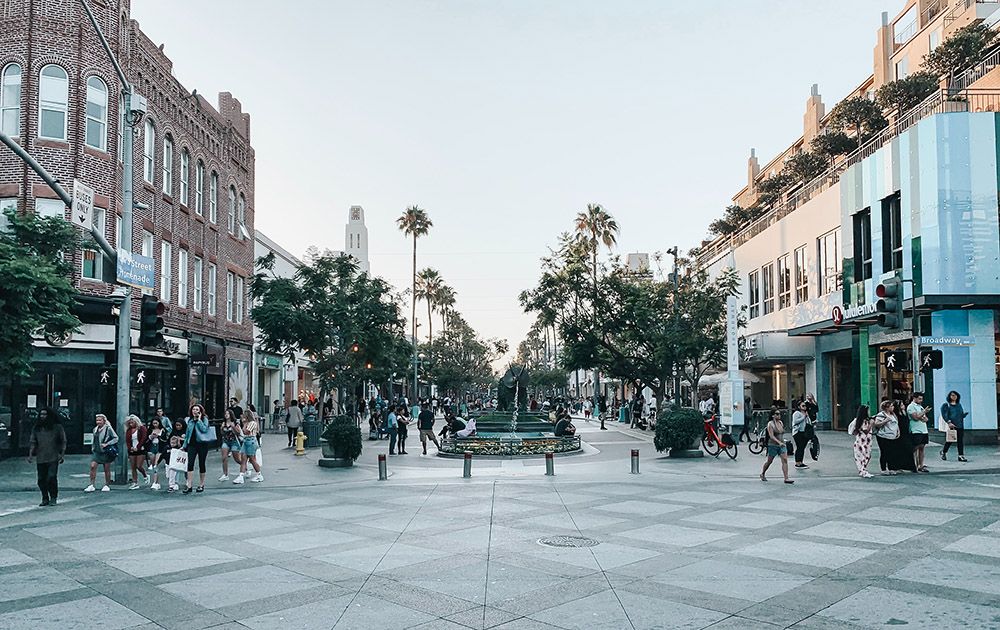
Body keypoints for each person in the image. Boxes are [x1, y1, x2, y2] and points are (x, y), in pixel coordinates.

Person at [28, 408, 65, 506]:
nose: (42, 416)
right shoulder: (37, 428)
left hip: (53, 456)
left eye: (45, 414)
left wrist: (62, 454)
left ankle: (53, 497)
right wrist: (31, 454)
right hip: (41, 457)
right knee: (41, 479)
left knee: (51, 477)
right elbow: (33, 442)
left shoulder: (57, 427)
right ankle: (45, 497)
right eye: (41, 414)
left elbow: (63, 441)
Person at [183, 404, 212, 494]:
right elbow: (187, 433)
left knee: (201, 463)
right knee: (190, 463)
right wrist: (184, 445)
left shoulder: (204, 419)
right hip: (192, 444)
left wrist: (199, 420)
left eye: (197, 409)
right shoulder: (190, 420)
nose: (195, 411)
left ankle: (201, 484)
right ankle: (189, 485)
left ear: (200, 411)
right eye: (193, 409)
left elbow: (204, 429)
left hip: (202, 444)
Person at [85, 413, 118, 492]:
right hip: (97, 451)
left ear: (104, 421)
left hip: (105, 451)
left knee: (106, 468)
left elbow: (116, 438)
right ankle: (91, 484)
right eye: (97, 420)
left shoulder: (108, 428)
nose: (98, 422)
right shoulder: (95, 429)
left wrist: (107, 444)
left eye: (100, 420)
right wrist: (93, 448)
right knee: (93, 466)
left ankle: (107, 484)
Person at [760, 409, 793, 484]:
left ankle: (786, 478)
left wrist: (782, 442)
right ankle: (762, 473)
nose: (779, 415)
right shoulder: (770, 424)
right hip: (773, 445)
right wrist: (779, 442)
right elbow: (771, 436)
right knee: (769, 461)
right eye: (777, 414)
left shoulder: (781, 423)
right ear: (773, 415)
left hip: (782, 445)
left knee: (784, 460)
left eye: (779, 414)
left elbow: (781, 433)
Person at [940, 390, 969, 462]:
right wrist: (949, 422)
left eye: (955, 395)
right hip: (952, 425)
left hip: (960, 425)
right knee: (950, 440)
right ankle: (944, 452)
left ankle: (961, 455)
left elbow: (960, 414)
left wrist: (964, 415)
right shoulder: (946, 405)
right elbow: (945, 415)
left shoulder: (959, 405)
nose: (954, 397)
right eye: (952, 395)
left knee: (960, 441)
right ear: (949, 396)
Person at [907, 392, 931, 473]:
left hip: (923, 429)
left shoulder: (920, 407)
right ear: (914, 398)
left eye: (921, 399)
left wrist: (923, 415)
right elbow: (916, 417)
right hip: (916, 430)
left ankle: (921, 465)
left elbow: (925, 419)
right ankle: (913, 464)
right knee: (915, 448)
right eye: (919, 399)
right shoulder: (911, 407)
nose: (921, 400)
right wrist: (923, 412)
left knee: (922, 448)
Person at [124, 414, 149, 490]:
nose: (131, 424)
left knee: (139, 466)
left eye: (132, 422)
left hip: (140, 449)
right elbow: (128, 441)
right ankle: (135, 482)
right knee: (133, 467)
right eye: (130, 423)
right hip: (132, 450)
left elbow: (143, 438)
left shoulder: (142, 428)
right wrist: (130, 448)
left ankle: (145, 475)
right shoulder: (128, 430)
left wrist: (138, 447)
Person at [238, 411, 264, 483]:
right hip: (246, 441)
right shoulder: (247, 423)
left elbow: (246, 432)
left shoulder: (252, 423)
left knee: (252, 459)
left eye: (244, 415)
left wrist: (244, 424)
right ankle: (241, 476)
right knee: (243, 459)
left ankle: (259, 475)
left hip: (251, 441)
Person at [219, 410, 244, 482]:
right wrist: (221, 428)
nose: (226, 415)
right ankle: (225, 474)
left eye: (228, 414)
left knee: (237, 459)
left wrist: (233, 427)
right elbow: (222, 433)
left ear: (231, 415)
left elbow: (238, 433)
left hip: (234, 442)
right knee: (224, 458)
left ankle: (245, 467)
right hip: (226, 441)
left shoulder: (235, 423)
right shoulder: (223, 423)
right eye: (225, 413)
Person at [849, 405, 874, 478]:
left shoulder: (865, 420)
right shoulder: (862, 421)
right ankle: (862, 470)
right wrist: (871, 424)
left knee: (867, 455)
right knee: (863, 456)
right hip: (862, 441)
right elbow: (866, 430)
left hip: (867, 441)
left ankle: (863, 470)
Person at [146, 417, 167, 491]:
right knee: (152, 464)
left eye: (156, 423)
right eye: (153, 423)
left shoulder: (163, 430)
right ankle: (157, 482)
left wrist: (159, 436)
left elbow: (165, 440)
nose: (155, 425)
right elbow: (146, 440)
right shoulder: (149, 430)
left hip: (159, 448)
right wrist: (151, 436)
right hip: (152, 447)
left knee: (156, 464)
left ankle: (155, 482)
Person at [166, 418, 187, 492]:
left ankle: (188, 482)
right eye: (176, 425)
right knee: (173, 467)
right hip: (174, 452)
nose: (178, 427)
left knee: (185, 467)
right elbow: (169, 441)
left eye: (179, 425)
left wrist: (181, 440)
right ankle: (172, 484)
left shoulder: (185, 431)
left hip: (184, 451)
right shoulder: (173, 432)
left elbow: (188, 440)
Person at [791, 400, 812, 469]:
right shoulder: (797, 413)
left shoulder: (806, 413)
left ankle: (801, 461)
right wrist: (803, 417)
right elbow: (795, 421)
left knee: (802, 447)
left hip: (805, 432)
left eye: (805, 406)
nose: (804, 407)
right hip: (798, 432)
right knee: (799, 447)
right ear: (799, 407)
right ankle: (797, 462)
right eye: (803, 406)